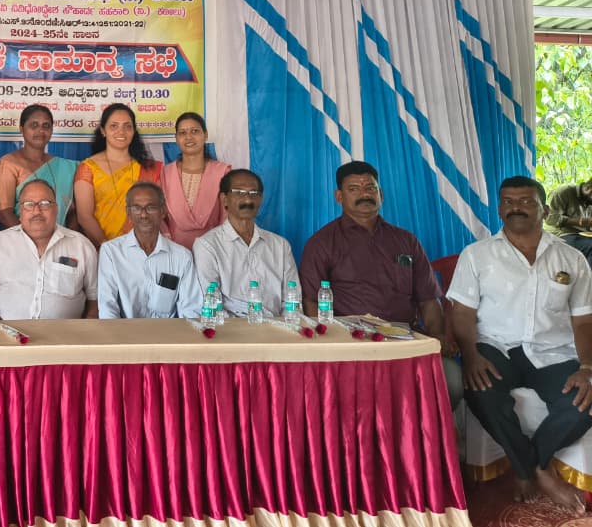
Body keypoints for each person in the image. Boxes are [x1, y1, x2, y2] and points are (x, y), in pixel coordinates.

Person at [450, 176, 592, 513]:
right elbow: (462, 313)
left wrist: (587, 367)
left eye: (526, 201)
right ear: (500, 209)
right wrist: (470, 355)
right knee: (482, 391)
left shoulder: (571, 258)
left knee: (586, 399)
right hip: (495, 346)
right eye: (508, 201)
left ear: (545, 210)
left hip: (553, 351)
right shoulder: (476, 255)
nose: (516, 207)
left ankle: (532, 468)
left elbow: (584, 321)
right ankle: (534, 470)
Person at [300, 161, 461, 409]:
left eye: (370, 188)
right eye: (354, 189)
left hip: (404, 339)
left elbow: (428, 299)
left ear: (381, 194)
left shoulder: (406, 240)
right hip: (351, 342)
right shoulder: (322, 243)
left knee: (451, 382)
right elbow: (311, 301)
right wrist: (327, 346)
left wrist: (437, 339)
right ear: (339, 197)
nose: (364, 194)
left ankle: (422, 434)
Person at [0, 180, 98, 319]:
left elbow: (95, 299)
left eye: (45, 204)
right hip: (5, 331)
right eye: (29, 204)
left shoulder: (81, 246)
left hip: (67, 332)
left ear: (56, 209)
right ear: (20, 211)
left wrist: (84, 330)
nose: (36, 211)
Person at [192, 169, 298, 317]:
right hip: (229, 328)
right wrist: (241, 330)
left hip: (276, 327)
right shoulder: (207, 245)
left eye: (254, 193)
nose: (248, 200)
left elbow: (292, 301)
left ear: (260, 199)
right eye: (239, 192)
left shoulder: (280, 246)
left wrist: (285, 327)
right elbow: (211, 303)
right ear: (224, 199)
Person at [98, 181, 203, 319]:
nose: (143, 215)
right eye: (136, 208)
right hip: (124, 331)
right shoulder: (111, 252)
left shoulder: (182, 256)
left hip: (168, 332)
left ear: (163, 211)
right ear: (128, 212)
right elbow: (107, 307)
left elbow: (191, 310)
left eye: (151, 207)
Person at [74, 103, 163, 246]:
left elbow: (157, 211)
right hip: (101, 249)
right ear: (103, 131)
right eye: (114, 126)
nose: (121, 132)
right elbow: (85, 217)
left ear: (134, 131)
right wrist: (109, 249)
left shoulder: (149, 169)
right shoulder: (88, 168)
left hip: (143, 248)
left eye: (127, 126)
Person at [0, 104, 78, 228]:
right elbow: (4, 213)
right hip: (21, 237)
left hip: (61, 237)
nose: (40, 131)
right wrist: (32, 237)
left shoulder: (66, 167)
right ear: (21, 129)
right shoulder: (8, 164)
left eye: (46, 126)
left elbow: (72, 211)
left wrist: (68, 236)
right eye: (34, 125)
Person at [160, 112, 230, 250]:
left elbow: (227, 218)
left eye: (195, 131)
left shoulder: (222, 172)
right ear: (176, 138)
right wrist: (170, 249)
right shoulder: (164, 174)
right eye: (182, 133)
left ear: (206, 135)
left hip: (213, 250)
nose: (189, 137)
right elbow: (159, 218)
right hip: (173, 251)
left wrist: (217, 250)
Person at [544, 178, 592, 262]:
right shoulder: (563, 192)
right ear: (589, 188)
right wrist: (578, 221)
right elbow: (549, 218)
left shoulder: (589, 201)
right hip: (559, 235)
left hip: (581, 236)